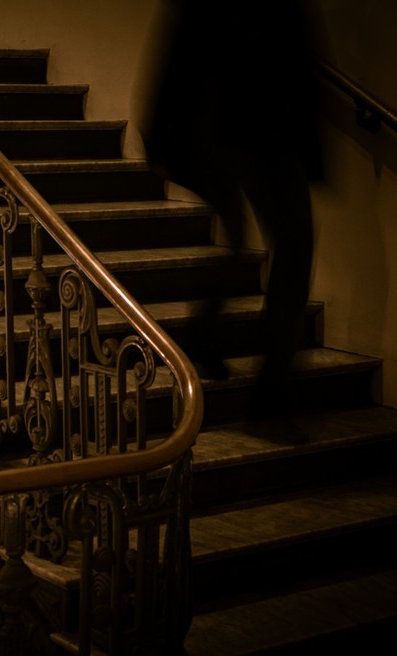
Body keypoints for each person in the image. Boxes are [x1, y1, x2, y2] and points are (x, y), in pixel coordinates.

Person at [139, 0, 324, 437]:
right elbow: (181, 51)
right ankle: (266, 396)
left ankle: (217, 347)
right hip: (233, 127)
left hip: (250, 130)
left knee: (267, 243)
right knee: (280, 244)